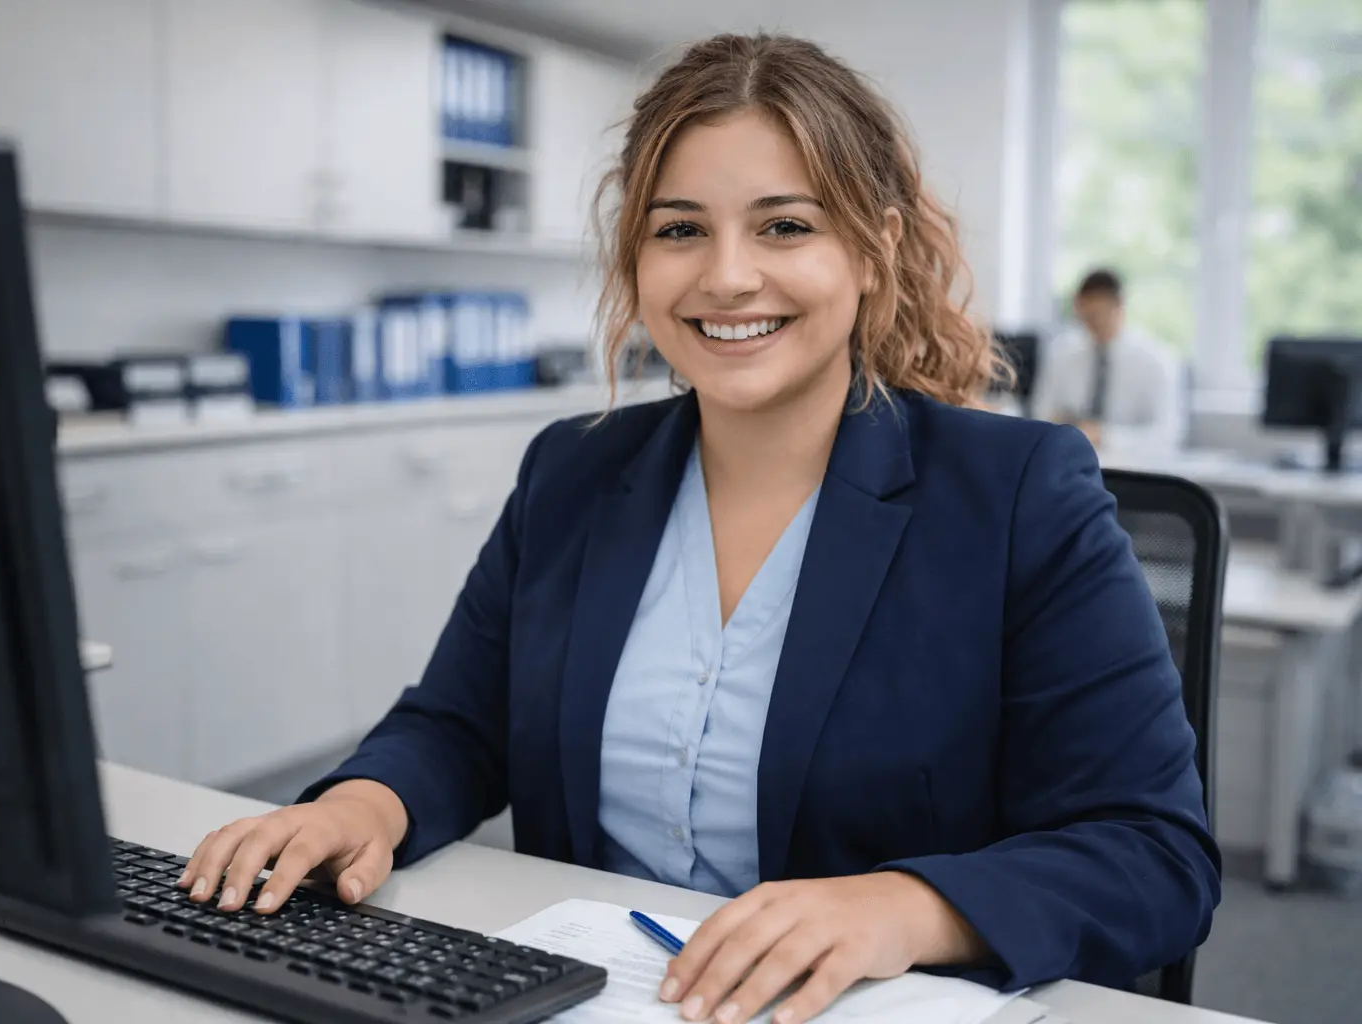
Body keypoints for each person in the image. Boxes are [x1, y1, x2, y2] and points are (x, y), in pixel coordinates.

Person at [178, 34, 1219, 1024]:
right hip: (600, 992)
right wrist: (362, 804)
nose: (726, 275)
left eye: (785, 226)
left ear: (873, 250)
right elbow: (460, 724)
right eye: (680, 229)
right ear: (637, 261)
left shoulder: (1018, 494)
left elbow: (1154, 853)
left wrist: (900, 908)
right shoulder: (574, 472)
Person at [1034, 269, 1187, 452]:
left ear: (1120, 306)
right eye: (1086, 316)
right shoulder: (1062, 355)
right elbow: (1040, 415)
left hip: (1134, 470)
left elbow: (1167, 435)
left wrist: (1105, 436)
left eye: (1099, 315)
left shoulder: (1158, 361)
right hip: (1070, 463)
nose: (1093, 325)